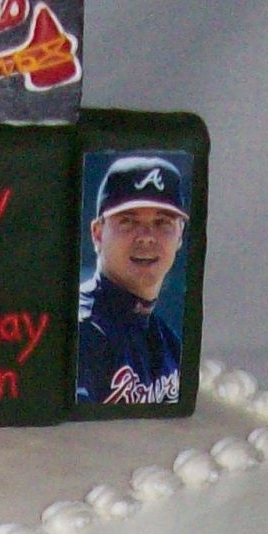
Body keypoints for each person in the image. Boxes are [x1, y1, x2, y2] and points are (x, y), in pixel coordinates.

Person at [75, 154, 188, 406]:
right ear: (97, 233)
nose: (146, 237)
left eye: (162, 222)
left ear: (180, 236)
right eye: (128, 221)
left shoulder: (170, 342)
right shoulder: (78, 333)